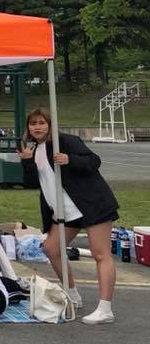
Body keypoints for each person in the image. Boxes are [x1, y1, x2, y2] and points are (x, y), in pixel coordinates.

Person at [19, 107, 119, 324]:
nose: (37, 127)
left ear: (50, 125)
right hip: (64, 211)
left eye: (42, 123)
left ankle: (105, 308)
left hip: (91, 204)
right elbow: (32, 184)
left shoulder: (65, 141)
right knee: (51, 248)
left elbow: (94, 161)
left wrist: (70, 159)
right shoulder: (33, 149)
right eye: (33, 124)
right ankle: (72, 294)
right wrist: (26, 162)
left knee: (100, 253)